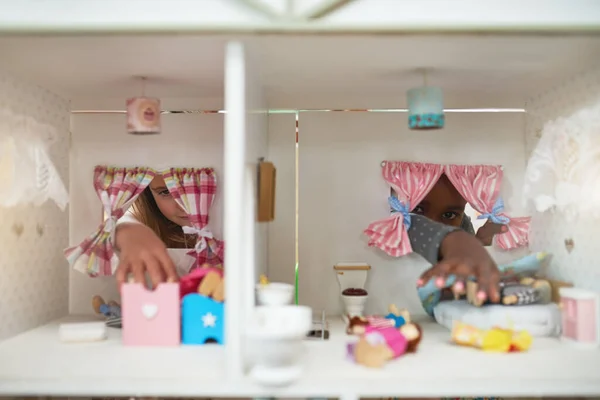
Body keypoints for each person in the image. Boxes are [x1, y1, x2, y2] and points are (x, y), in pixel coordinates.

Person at [115, 176, 501, 303]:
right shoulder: (145, 223)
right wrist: (129, 230)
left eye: (192, 188)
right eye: (165, 192)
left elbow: (417, 228)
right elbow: (114, 226)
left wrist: (463, 240)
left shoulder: (432, 230)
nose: (182, 201)